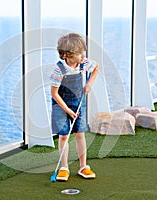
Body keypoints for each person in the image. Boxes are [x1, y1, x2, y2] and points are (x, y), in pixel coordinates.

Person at [50, 33, 99, 181]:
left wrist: (89, 84)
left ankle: (83, 166)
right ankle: (64, 168)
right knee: (64, 135)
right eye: (79, 53)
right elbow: (54, 93)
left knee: (79, 134)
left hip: (78, 102)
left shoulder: (83, 63)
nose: (83, 55)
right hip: (61, 105)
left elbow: (96, 67)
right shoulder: (59, 70)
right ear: (67, 55)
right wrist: (67, 110)